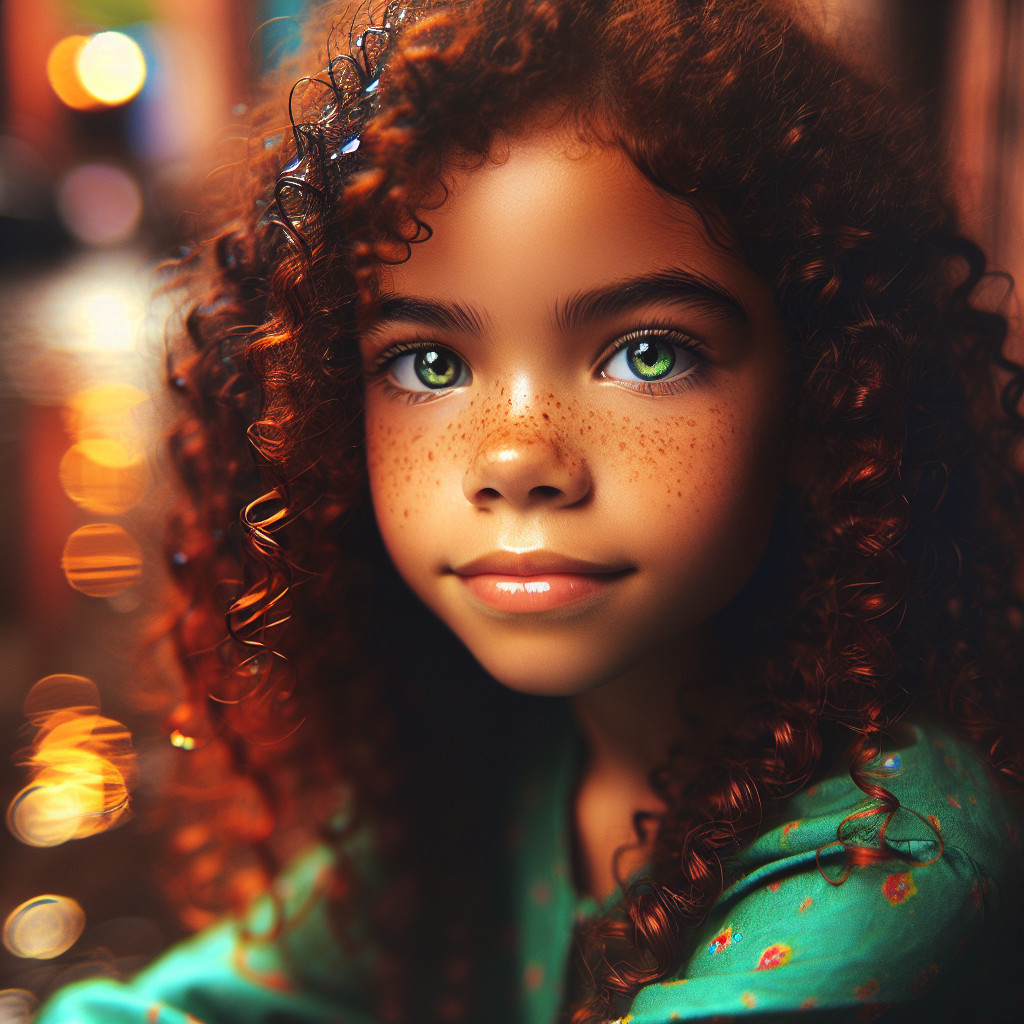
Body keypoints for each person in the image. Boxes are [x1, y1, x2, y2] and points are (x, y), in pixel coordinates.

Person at [35, 0, 1024, 1021]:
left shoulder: (893, 859)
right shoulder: (496, 761)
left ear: (829, 394)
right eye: (429, 363)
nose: (516, 457)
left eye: (648, 353)